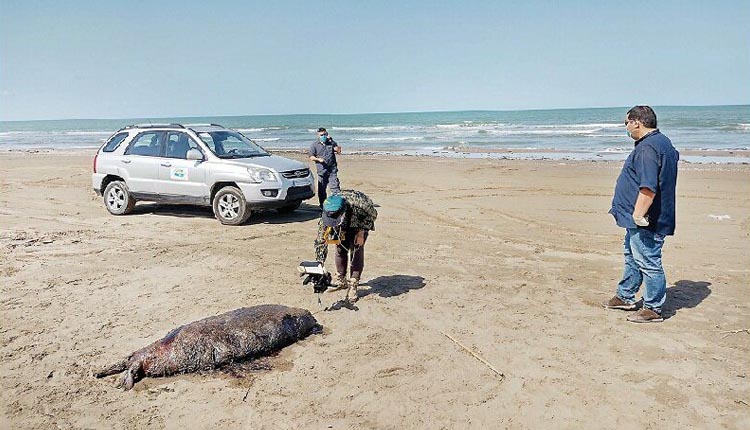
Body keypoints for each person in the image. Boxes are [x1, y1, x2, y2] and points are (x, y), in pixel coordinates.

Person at [603, 106, 679, 323]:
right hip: (640, 218)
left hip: (647, 219)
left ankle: (653, 308)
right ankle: (625, 295)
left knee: (647, 260)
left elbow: (648, 187)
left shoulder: (648, 149)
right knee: (632, 255)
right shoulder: (661, 142)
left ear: (637, 122)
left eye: (626, 123)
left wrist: (638, 214)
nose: (626, 127)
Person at [314, 190, 377, 303]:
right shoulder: (328, 211)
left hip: (358, 223)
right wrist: (319, 265)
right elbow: (320, 240)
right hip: (342, 227)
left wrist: (362, 231)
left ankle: (353, 284)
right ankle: (341, 280)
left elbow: (372, 215)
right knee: (340, 249)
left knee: (356, 251)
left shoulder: (361, 205)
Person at [309, 127, 342, 208]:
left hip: (332, 169)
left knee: (335, 187)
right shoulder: (314, 145)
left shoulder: (331, 142)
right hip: (321, 170)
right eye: (321, 135)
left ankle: (337, 205)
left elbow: (338, 150)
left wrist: (334, 144)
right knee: (322, 190)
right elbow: (311, 156)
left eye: (325, 134)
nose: (323, 136)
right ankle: (323, 206)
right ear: (318, 135)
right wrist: (318, 159)